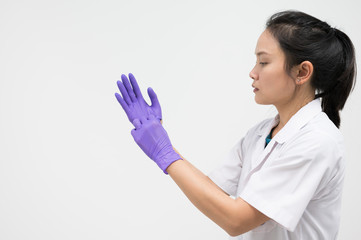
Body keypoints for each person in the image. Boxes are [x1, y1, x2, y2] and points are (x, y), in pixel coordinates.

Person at [114, 10, 356, 240]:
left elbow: (236, 220)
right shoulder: (262, 133)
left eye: (263, 62)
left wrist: (164, 153)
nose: (252, 72)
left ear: (302, 72)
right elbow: (213, 193)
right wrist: (163, 142)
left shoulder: (317, 140)